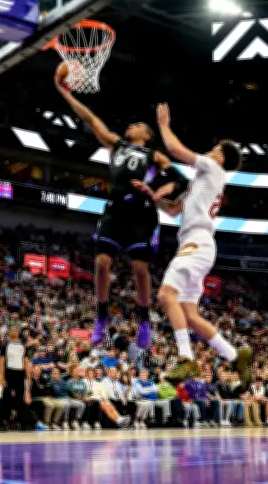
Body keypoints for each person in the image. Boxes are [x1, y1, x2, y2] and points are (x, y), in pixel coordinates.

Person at [55, 66, 184, 349]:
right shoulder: (116, 144)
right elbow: (90, 118)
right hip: (115, 209)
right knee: (101, 263)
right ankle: (101, 316)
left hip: (141, 213)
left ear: (146, 135)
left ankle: (144, 319)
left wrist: (155, 192)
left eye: (137, 125)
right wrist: (65, 93)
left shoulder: (154, 154)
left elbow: (178, 180)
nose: (130, 126)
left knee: (140, 268)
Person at [132, 103, 252, 389]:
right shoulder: (201, 182)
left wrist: (163, 126)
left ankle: (186, 357)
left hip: (197, 242)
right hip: (198, 244)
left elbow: (176, 150)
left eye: (214, 149)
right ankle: (235, 355)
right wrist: (152, 194)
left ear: (220, 156)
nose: (209, 151)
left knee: (165, 294)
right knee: (188, 313)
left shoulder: (212, 168)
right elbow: (173, 210)